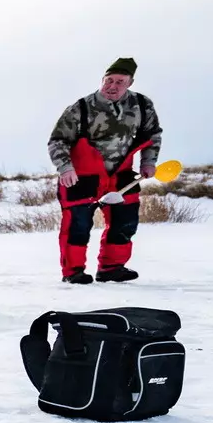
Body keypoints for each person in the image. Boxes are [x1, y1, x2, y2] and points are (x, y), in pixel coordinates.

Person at [48, 57, 163, 284]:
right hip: (82, 176)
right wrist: (65, 168)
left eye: (120, 82)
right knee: (78, 225)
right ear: (102, 80)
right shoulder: (81, 108)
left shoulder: (142, 105)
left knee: (125, 222)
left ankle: (112, 268)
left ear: (130, 83)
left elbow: (152, 135)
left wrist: (148, 162)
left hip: (121, 175)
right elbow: (57, 141)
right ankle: (73, 273)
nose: (113, 86)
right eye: (109, 80)